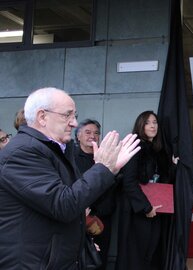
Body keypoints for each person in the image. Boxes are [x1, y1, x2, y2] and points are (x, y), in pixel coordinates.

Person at [0, 87, 140, 270]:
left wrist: (109, 169)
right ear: (42, 117)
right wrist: (103, 168)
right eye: (67, 115)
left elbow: (73, 202)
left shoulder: (56, 149)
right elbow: (64, 205)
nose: (74, 123)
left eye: (75, 115)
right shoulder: (22, 152)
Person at [116, 110, 173, 270]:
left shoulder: (157, 150)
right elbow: (129, 182)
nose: (152, 126)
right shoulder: (135, 147)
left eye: (155, 122)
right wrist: (145, 207)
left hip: (154, 209)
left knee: (151, 253)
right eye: (148, 122)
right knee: (135, 256)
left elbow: (162, 179)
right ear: (141, 125)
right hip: (137, 211)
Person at [74, 119, 116, 269]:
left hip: (104, 216)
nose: (93, 136)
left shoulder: (104, 157)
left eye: (96, 133)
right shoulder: (71, 157)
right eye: (88, 132)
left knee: (100, 258)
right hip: (79, 215)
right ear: (78, 136)